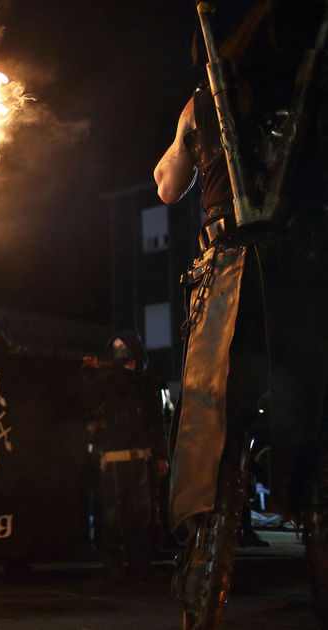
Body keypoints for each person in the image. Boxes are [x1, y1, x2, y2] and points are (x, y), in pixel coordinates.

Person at [153, 1, 328, 626]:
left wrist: (182, 144)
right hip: (298, 289)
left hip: (230, 284)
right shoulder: (309, 78)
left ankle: (204, 607)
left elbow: (168, 187)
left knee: (215, 453)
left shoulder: (201, 99)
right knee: (311, 448)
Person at [85, 332, 168, 584]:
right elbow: (90, 411)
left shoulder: (147, 383)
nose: (120, 350)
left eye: (123, 346)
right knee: (113, 514)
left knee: (142, 514)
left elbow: (156, 422)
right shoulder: (105, 382)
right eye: (116, 347)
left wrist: (161, 456)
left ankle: (140, 563)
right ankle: (113, 564)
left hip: (141, 457)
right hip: (114, 457)